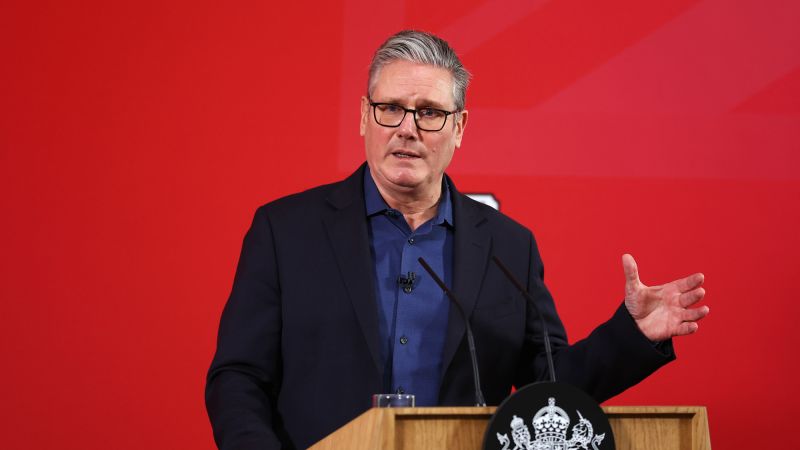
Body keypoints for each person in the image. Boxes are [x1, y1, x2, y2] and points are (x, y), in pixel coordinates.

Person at [205, 30, 709, 450]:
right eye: (390, 108)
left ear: (460, 127)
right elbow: (239, 377)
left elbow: (549, 389)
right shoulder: (286, 231)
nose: (407, 129)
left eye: (429, 112)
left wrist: (632, 335)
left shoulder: (508, 248)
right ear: (363, 116)